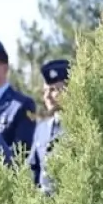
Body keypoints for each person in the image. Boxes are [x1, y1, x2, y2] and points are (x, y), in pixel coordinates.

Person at [29, 59, 69, 193]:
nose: (47, 96)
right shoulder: (41, 129)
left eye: (53, 90)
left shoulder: (80, 126)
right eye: (45, 90)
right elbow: (32, 170)